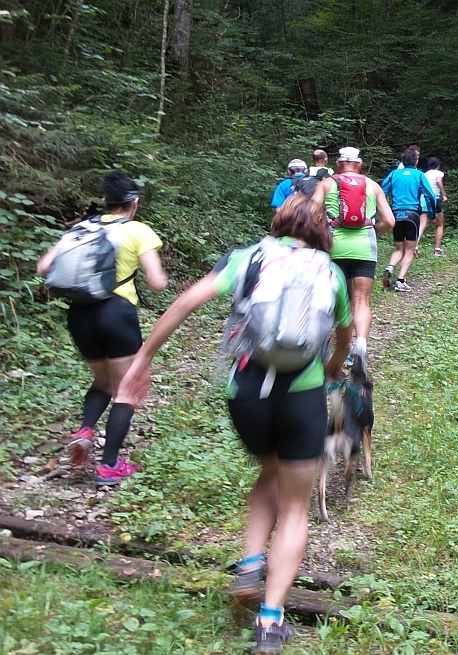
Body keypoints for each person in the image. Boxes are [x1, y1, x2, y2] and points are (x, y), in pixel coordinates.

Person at [116, 194, 353, 654]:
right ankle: (270, 621)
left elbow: (186, 301)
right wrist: (331, 370)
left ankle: (249, 566)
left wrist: (142, 360)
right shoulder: (331, 271)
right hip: (301, 397)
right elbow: (343, 338)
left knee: (268, 470)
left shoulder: (248, 257)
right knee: (295, 509)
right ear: (322, 231)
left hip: (246, 395)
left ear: (279, 221)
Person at [35, 170, 168, 485]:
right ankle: (109, 466)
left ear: (106, 201)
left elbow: (43, 267)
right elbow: (157, 283)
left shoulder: (81, 228)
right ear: (134, 202)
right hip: (116, 313)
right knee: (127, 389)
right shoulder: (138, 231)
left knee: (102, 382)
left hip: (79, 314)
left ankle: (84, 431)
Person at [312, 146, 396, 370]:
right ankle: (360, 345)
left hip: (334, 248)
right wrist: (372, 229)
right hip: (364, 249)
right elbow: (389, 222)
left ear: (338, 165)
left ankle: (335, 348)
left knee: (334, 302)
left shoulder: (327, 184)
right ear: (359, 165)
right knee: (361, 301)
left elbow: (309, 214)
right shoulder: (372, 186)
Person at [381, 148, 436, 291]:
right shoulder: (419, 175)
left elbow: (382, 192)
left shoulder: (394, 174)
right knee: (409, 250)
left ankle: (390, 267)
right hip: (412, 215)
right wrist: (432, 213)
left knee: (399, 247)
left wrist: (385, 210)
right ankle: (400, 281)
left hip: (396, 214)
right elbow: (430, 195)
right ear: (416, 161)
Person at [421, 157, 448, 256]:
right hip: (434, 199)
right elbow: (438, 181)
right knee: (440, 225)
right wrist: (444, 194)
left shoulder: (425, 174)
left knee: (422, 224)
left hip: (423, 199)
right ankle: (437, 249)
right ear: (438, 165)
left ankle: (414, 246)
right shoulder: (439, 173)